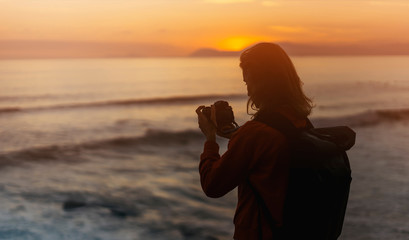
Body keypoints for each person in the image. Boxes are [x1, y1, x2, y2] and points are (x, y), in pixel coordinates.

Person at [195, 42, 314, 239]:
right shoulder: (300, 121)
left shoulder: (255, 134)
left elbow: (212, 185)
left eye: (248, 82)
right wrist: (237, 136)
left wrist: (210, 139)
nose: (248, 91)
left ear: (263, 81)